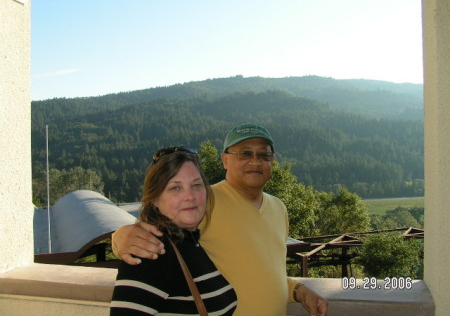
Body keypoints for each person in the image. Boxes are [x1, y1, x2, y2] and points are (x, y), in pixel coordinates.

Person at [112, 123, 328, 316]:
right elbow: (157, 232)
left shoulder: (278, 208)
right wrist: (119, 238)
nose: (255, 161)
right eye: (245, 153)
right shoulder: (204, 200)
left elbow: (265, 273)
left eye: (264, 155)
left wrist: (298, 291)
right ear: (225, 160)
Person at [110, 147, 238, 315]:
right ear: (155, 199)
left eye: (196, 185)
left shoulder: (190, 244)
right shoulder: (153, 253)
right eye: (176, 188)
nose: (190, 196)